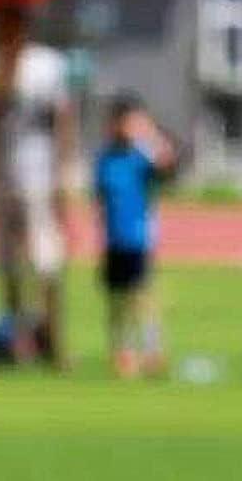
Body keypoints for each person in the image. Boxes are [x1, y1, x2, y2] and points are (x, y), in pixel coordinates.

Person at [0, 4, 77, 367]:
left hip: (38, 176)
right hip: (4, 176)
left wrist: (63, 174)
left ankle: (55, 340)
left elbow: (63, 121)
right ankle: (18, 343)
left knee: (46, 260)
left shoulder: (46, 66)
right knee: (7, 264)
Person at [93, 94, 175, 378]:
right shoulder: (105, 159)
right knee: (116, 301)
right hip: (113, 240)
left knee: (142, 299)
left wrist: (148, 131)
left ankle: (152, 351)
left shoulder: (141, 157)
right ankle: (122, 352)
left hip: (138, 238)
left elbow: (167, 162)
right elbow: (100, 199)